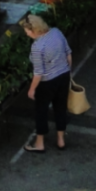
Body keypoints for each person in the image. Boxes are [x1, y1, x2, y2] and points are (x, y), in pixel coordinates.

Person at [21, 14, 71, 151]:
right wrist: (66, 70)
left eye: (27, 31)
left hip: (47, 82)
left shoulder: (37, 47)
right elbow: (68, 53)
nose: (27, 34)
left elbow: (38, 73)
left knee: (41, 111)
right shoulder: (56, 32)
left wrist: (31, 90)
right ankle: (61, 140)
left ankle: (39, 143)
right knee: (60, 108)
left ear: (34, 30)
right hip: (63, 76)